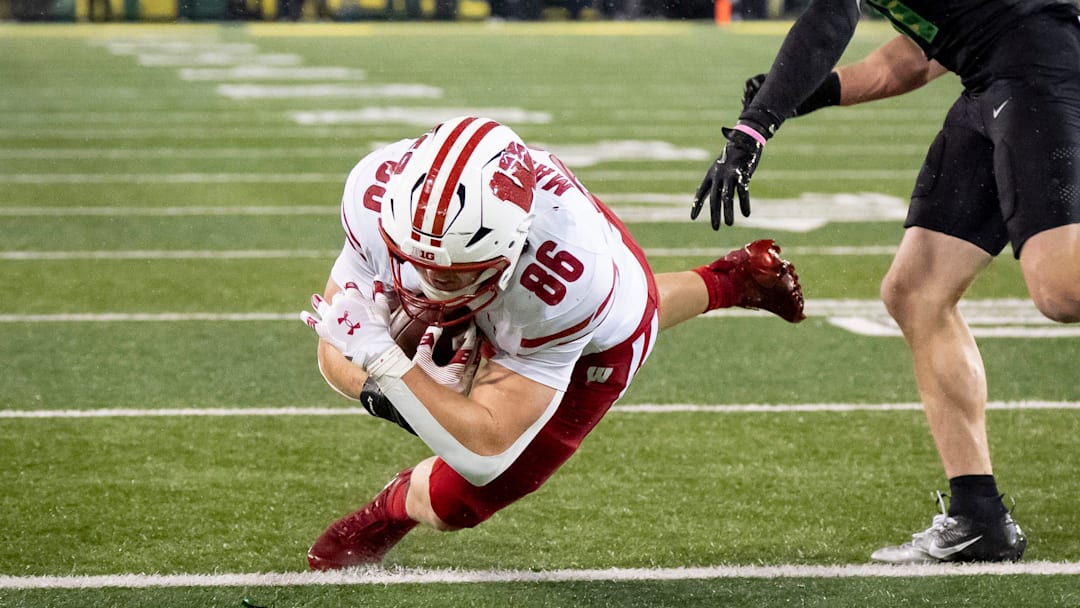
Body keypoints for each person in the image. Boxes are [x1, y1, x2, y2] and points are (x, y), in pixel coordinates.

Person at [299, 115, 806, 569]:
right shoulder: (375, 191)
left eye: (450, 276)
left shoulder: (568, 279)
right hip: (518, 288)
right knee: (450, 375)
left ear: (509, 246)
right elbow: (333, 351)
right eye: (413, 262)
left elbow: (484, 452)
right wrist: (390, 388)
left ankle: (390, 509)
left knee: (460, 496)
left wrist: (388, 361)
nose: (427, 285)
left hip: (585, 313)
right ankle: (736, 279)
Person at [691, 0, 1080, 564]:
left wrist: (755, 128)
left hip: (1041, 72)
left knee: (1062, 290)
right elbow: (919, 58)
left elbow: (830, 20)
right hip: (994, 81)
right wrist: (813, 92)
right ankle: (979, 516)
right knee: (916, 292)